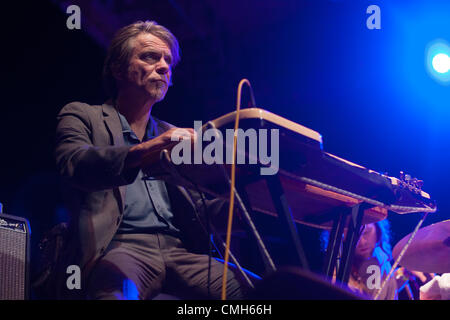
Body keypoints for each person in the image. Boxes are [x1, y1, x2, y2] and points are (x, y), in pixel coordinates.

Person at [52, 20, 249, 300]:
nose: (164, 66)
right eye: (150, 57)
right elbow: (75, 164)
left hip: (179, 252)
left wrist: (247, 204)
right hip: (120, 247)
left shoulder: (170, 132)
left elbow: (201, 210)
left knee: (264, 291)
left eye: (168, 60)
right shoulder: (82, 115)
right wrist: (150, 149)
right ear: (117, 69)